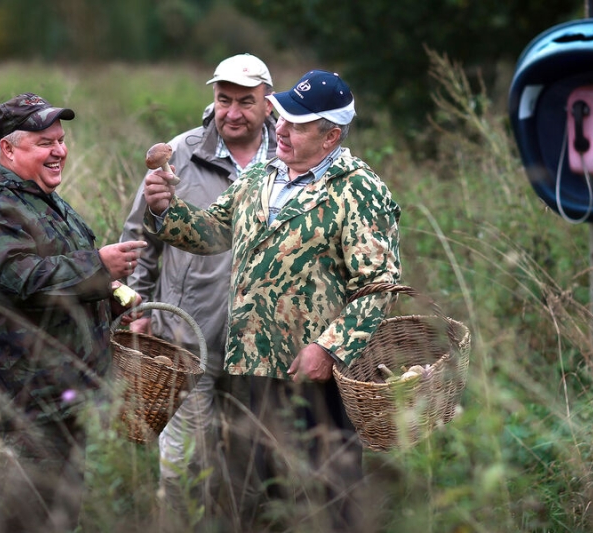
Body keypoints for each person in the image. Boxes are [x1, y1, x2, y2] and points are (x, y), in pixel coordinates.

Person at [141, 70, 401, 531]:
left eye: (297, 125)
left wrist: (329, 348)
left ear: (331, 135)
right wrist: (165, 212)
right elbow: (213, 232)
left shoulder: (358, 189)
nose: (279, 128)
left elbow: (379, 285)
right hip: (248, 369)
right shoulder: (261, 176)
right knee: (259, 499)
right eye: (281, 116)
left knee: (326, 498)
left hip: (313, 376)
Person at [0, 93, 147, 532]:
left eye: (60, 140)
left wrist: (114, 303)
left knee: (59, 519)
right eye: (44, 143)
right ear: (8, 149)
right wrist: (99, 266)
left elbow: (59, 287)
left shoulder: (38, 198)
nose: (59, 151)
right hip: (24, 409)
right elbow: (20, 279)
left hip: (66, 401)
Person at [119, 53, 276, 522]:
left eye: (246, 101)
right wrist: (138, 304)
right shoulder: (181, 153)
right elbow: (139, 235)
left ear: (268, 104)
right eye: (223, 99)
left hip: (262, 344)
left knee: (248, 459)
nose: (232, 112)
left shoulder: (285, 154)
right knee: (184, 464)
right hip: (187, 336)